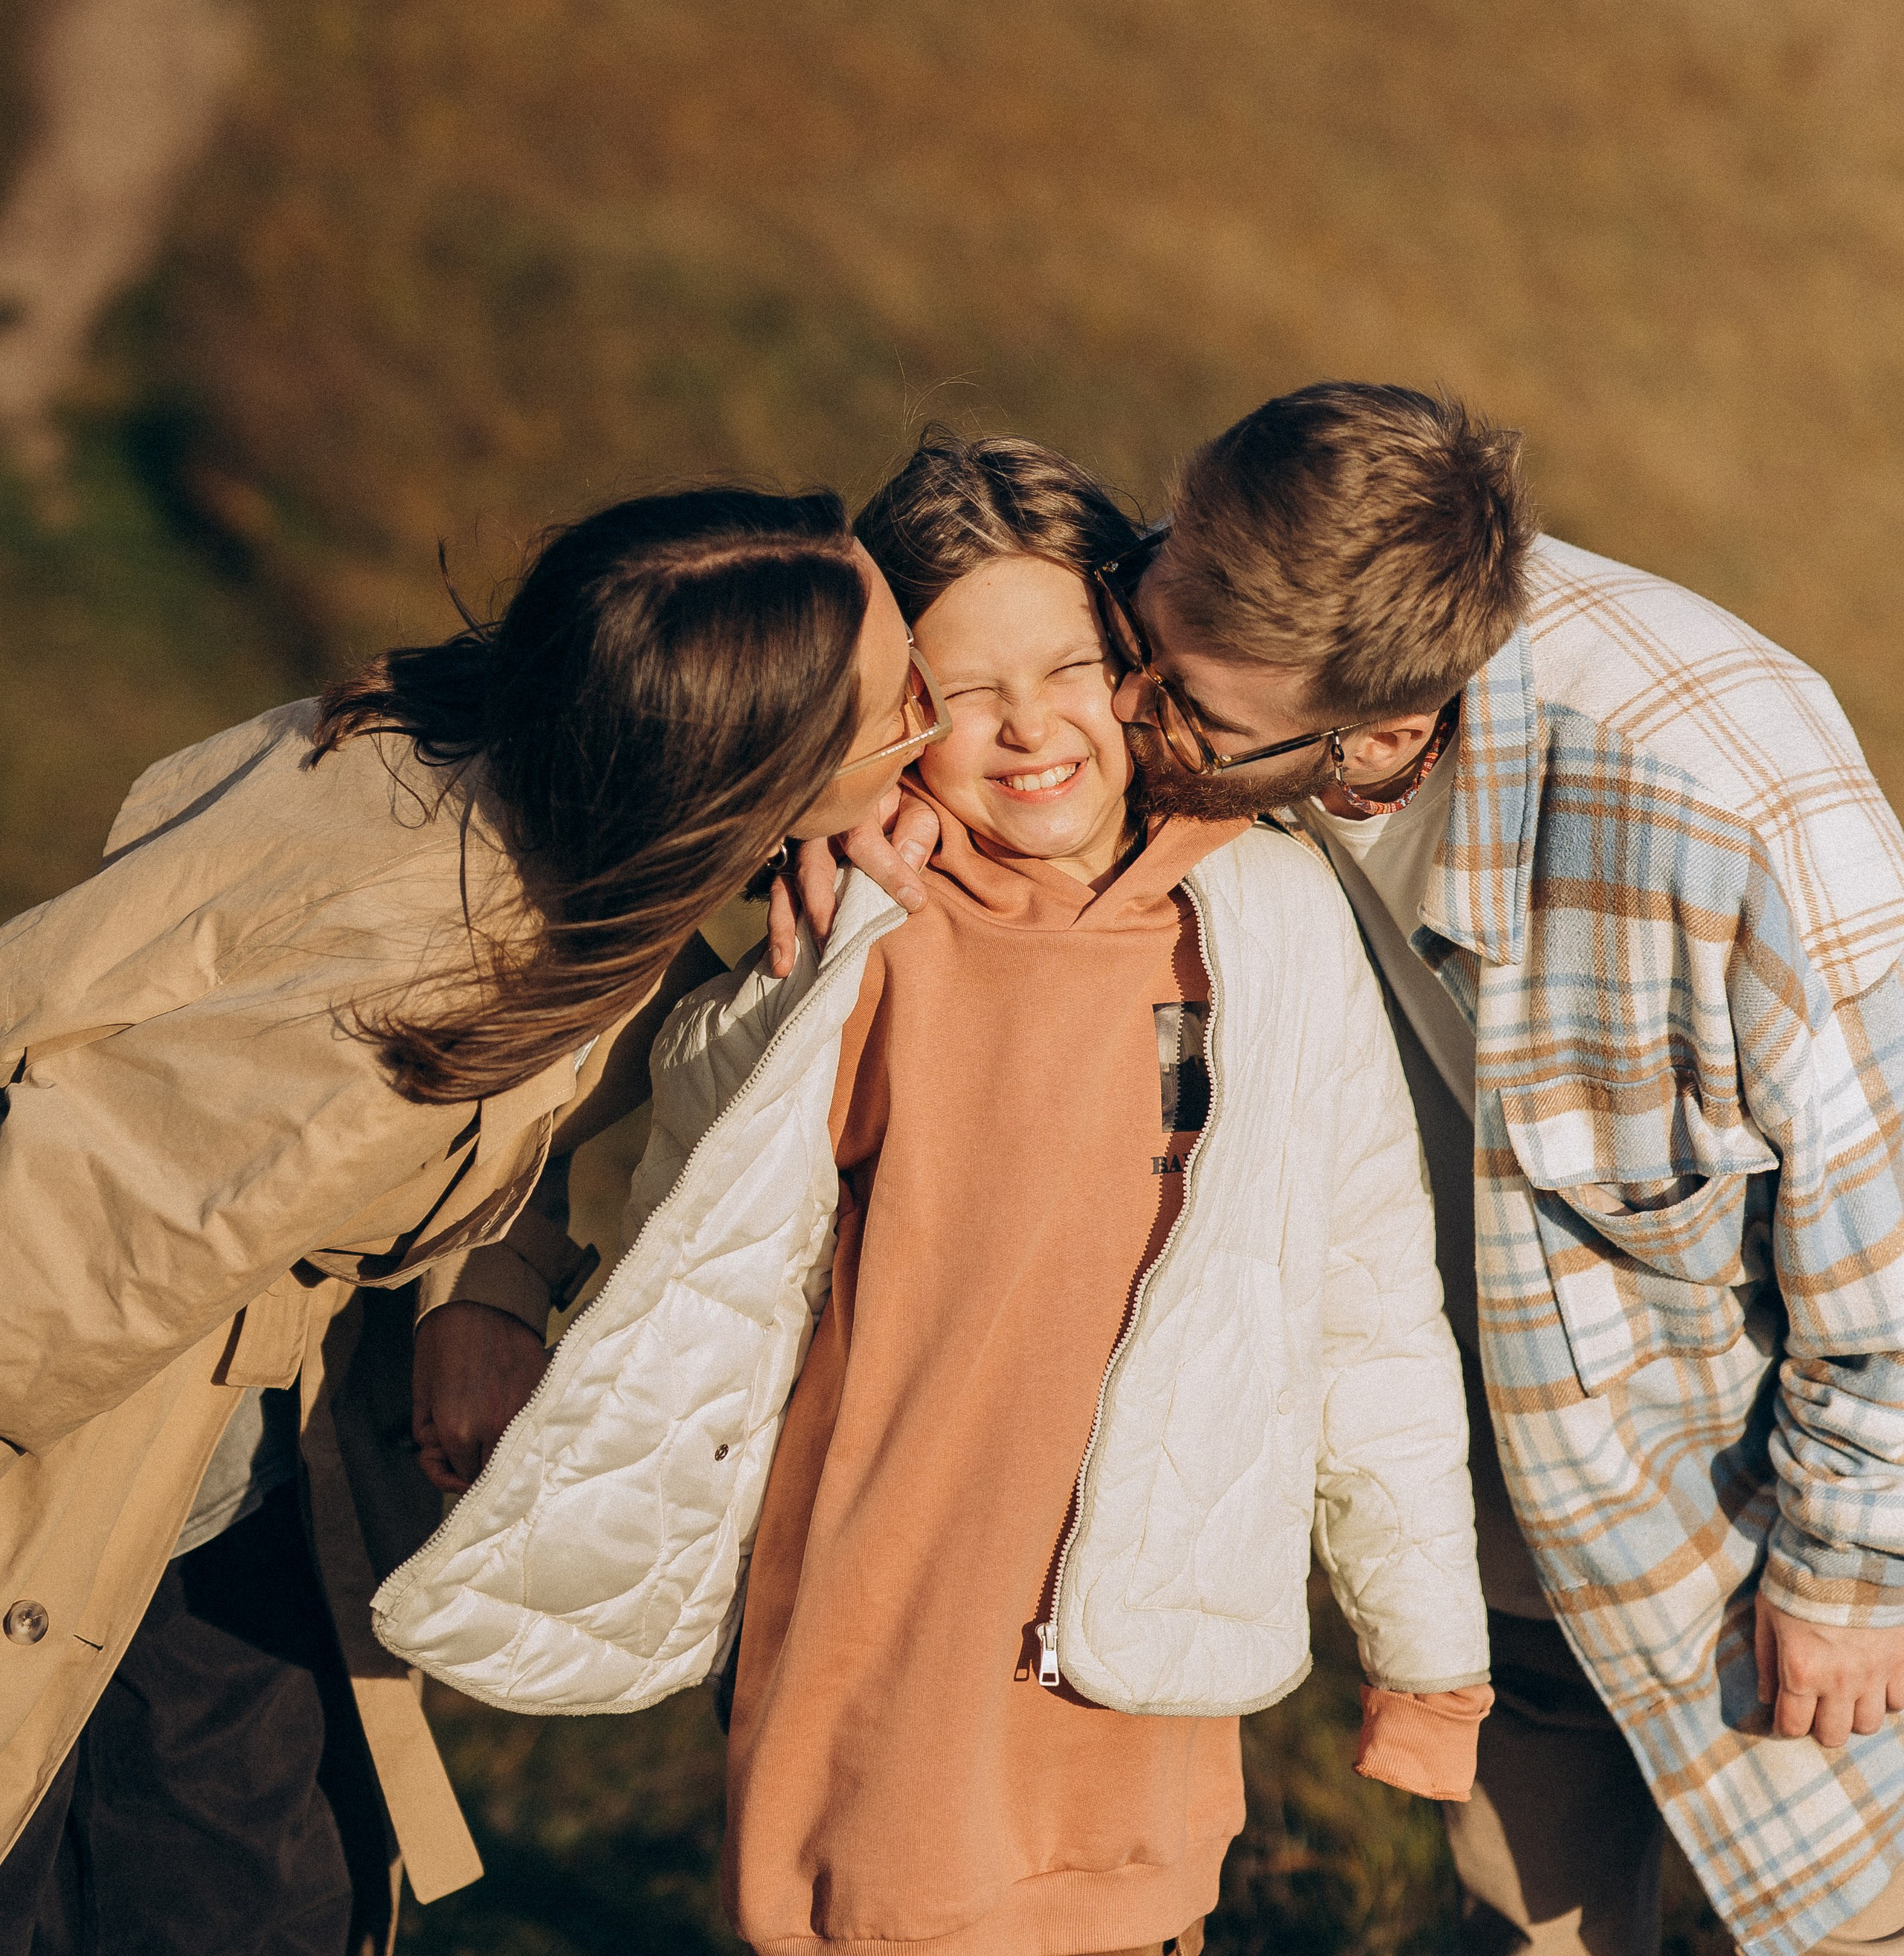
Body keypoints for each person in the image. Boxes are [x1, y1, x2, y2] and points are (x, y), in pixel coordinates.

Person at [374, 435, 1493, 1956]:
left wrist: (1426, 1656)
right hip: (888, 1620)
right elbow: (689, 1208)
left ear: (1139, 666)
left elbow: (1367, 1304)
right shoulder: (866, 929)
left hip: (1143, 1631)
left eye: (1068, 667)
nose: (1026, 725)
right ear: (896, 712)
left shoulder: (1273, 922)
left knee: (1137, 1914)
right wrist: (796, 981)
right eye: (962, 691)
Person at [0, 486, 939, 1956]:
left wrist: (483, 1282)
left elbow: (583, 1078)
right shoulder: (410, 1005)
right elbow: (38, 1283)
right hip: (66, 1489)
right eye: (902, 706)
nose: (933, 731)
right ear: (745, 774)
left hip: (221, 1468)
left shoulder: (507, 766)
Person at [1065, 381, 1904, 1956]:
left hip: (1768, 1526)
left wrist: (1854, 1561)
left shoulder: (1720, 819)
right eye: (1136, 631)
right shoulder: (1223, 616)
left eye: (1187, 711)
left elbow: (1894, 1214)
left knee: (1820, 1928)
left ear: (1384, 731)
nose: (1125, 716)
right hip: (1509, 1489)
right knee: (1513, 1926)